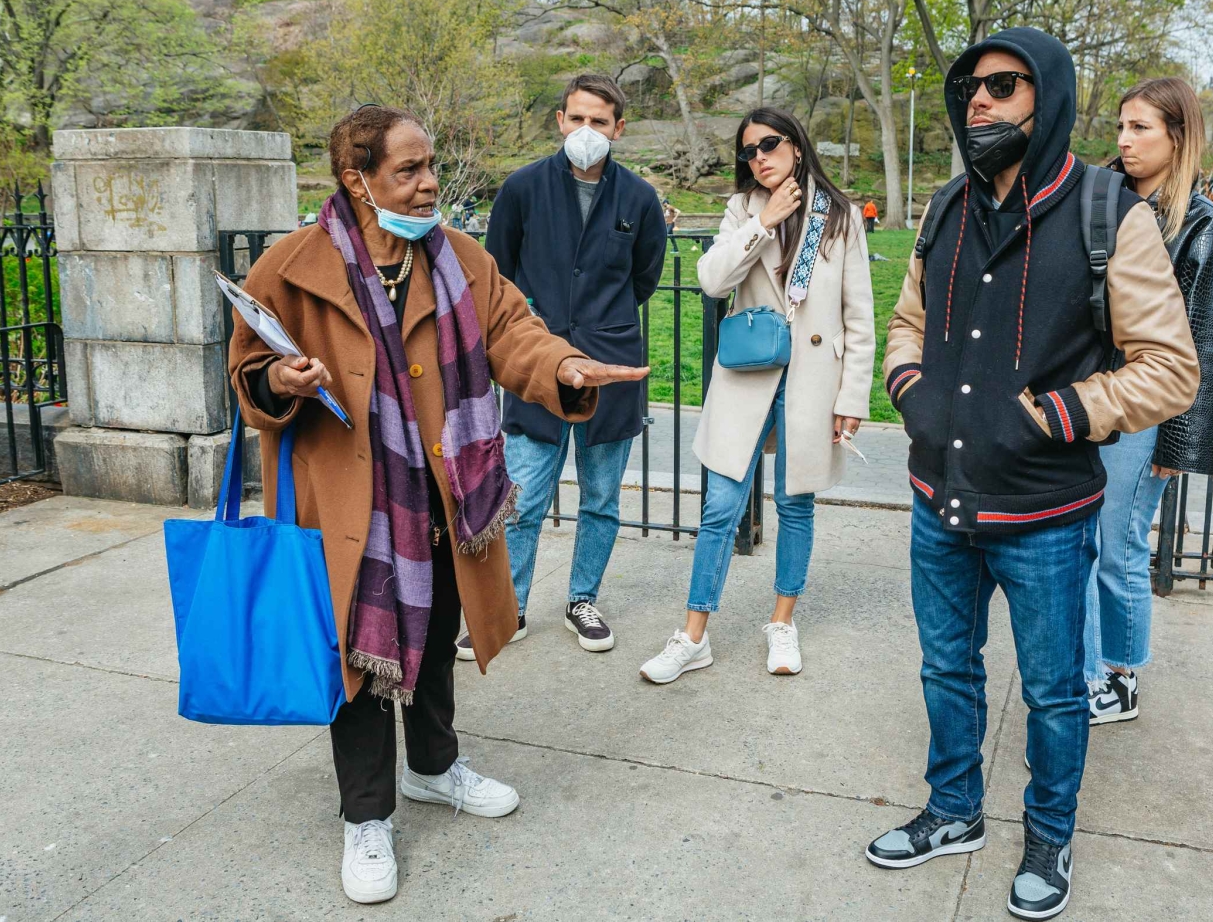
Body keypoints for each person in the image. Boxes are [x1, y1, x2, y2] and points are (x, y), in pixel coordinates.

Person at [228, 104, 647, 906]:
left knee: (433, 635)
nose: (429, 184)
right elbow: (249, 368)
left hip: (446, 495)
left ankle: (433, 767)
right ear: (357, 179)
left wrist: (562, 368)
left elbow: (514, 332)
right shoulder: (290, 266)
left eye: (430, 166)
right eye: (409, 170)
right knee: (359, 657)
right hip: (348, 504)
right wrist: (278, 379)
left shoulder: (459, 257)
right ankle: (366, 816)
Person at [872, 29, 1199, 920]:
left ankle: (1050, 835)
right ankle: (953, 809)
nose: (980, 99)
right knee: (947, 667)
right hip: (938, 498)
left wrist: (1055, 414)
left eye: (1004, 84)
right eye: (970, 87)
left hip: (1046, 512)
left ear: (1045, 96)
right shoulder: (945, 206)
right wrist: (911, 391)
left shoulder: (1108, 212)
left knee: (1055, 692)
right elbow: (906, 322)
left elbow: (1171, 368)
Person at [638, 106, 874, 683]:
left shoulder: (840, 214)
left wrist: (853, 397)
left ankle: (782, 622)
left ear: (795, 144)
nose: (760, 157)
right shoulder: (743, 208)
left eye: (769, 144)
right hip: (748, 376)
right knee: (720, 506)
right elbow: (712, 280)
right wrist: (763, 222)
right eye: (749, 151)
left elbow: (859, 315)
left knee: (796, 504)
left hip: (815, 380)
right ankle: (693, 635)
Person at [468, 73, 666, 658]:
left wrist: (602, 321)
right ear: (560, 120)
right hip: (536, 364)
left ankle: (583, 600)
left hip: (611, 366)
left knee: (601, 499)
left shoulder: (639, 198)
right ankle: (511, 608)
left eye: (599, 121)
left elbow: (645, 276)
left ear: (618, 129)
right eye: (577, 118)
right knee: (523, 499)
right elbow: (497, 274)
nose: (586, 130)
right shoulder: (522, 188)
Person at [1084, 78, 1213, 724]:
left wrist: (1178, 443)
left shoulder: (1204, 226)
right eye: (1122, 126)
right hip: (1091, 397)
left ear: (1178, 137)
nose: (1125, 139)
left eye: (1141, 127)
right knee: (1086, 539)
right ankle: (1094, 669)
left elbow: (1208, 343)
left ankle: (1115, 677)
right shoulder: (1102, 202)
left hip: (1147, 409)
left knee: (1114, 539)